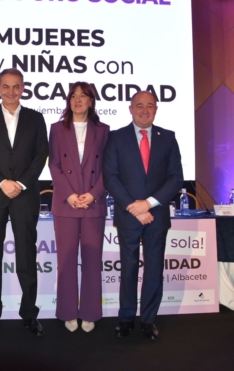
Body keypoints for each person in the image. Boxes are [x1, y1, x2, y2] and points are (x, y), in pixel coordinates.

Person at [0, 68, 49, 337]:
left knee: (27, 258)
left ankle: (29, 314)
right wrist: (2, 182)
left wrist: (22, 183)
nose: (11, 92)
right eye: (6, 86)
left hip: (26, 197)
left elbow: (41, 155)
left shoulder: (36, 118)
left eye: (16, 87)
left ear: (23, 88)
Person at [103, 91, 183, 340]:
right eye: (140, 105)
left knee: (154, 269)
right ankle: (126, 318)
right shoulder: (115, 137)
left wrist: (147, 204)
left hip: (156, 215)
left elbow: (175, 178)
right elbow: (110, 178)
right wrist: (133, 207)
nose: (145, 110)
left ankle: (148, 320)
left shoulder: (168, 138)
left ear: (156, 109)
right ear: (130, 108)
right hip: (129, 216)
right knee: (127, 269)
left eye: (150, 106)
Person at [48, 82, 109, 333]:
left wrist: (94, 195)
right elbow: (54, 165)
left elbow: (109, 168)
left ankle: (91, 312)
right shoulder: (57, 128)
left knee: (93, 259)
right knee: (67, 260)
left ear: (91, 101)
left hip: (94, 203)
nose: (78, 100)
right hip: (66, 203)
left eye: (83, 96)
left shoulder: (104, 130)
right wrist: (70, 195)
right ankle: (67, 311)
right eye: (73, 96)